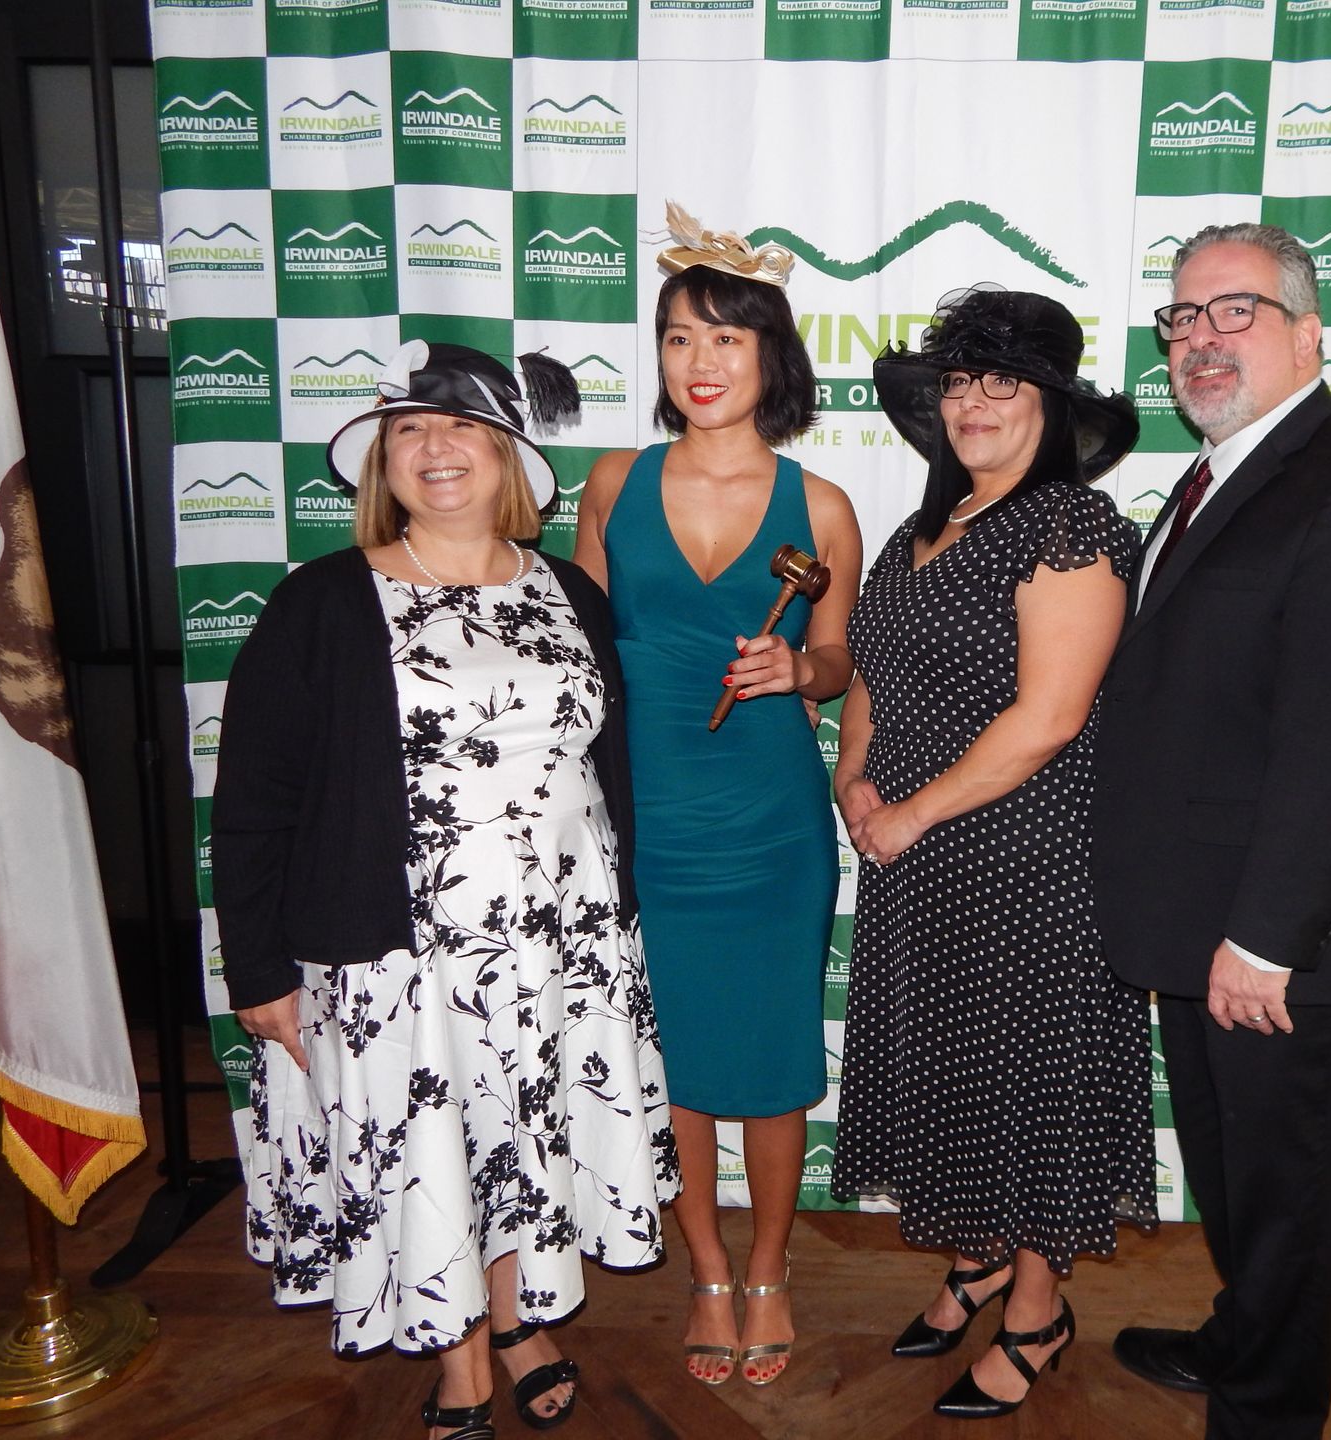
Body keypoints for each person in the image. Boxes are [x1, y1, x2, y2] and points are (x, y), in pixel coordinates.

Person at [214, 341, 680, 1440]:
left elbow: (603, 765)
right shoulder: (321, 602)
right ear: (383, 460)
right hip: (400, 952)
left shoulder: (569, 590)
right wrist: (260, 966)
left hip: (561, 945)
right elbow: (253, 800)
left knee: (528, 1136)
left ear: (509, 456)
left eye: (463, 428)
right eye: (412, 431)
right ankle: (462, 1348)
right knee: (439, 1146)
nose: (436, 450)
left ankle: (519, 1318)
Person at [1093, 223, 1331, 1439]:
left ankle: (1267, 1411)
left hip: (1288, 944)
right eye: (1182, 319)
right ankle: (1240, 1340)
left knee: (1288, 1205)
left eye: (1231, 312)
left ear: (1309, 331)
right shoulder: (1212, 481)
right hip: (1206, 924)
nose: (1200, 339)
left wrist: (1265, 940)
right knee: (1242, 1190)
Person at [830, 285, 1158, 1421]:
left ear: (1053, 407)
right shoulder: (918, 530)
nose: (975, 404)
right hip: (914, 855)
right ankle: (974, 1253)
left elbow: (1051, 717)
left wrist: (908, 813)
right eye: (959, 382)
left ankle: (1035, 1307)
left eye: (1003, 383)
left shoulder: (1073, 531)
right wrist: (854, 777)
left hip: (1031, 856)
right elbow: (872, 672)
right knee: (949, 1060)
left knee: (1023, 1074)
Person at [572, 205, 860, 1389]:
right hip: (646, 815)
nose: (701, 364)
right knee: (675, 1054)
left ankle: (772, 1264)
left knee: (772, 1050)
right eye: (681, 339)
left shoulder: (824, 505)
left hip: (774, 820)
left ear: (771, 359)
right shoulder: (610, 481)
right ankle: (702, 1266)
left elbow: (841, 661)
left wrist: (801, 668)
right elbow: (577, 641)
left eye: (727, 341)